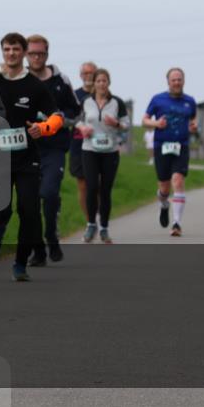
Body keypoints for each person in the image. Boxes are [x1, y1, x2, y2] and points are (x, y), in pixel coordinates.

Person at [0, 32, 62, 282]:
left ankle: (20, 264)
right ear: (2, 51)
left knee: (29, 211)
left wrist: (43, 128)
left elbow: (56, 115)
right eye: (7, 49)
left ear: (24, 52)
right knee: (1, 211)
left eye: (16, 49)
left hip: (28, 156)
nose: (11, 54)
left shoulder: (34, 85)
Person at [25, 34, 81, 265]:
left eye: (41, 53)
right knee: (29, 201)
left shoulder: (60, 80)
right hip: (26, 148)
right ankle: (38, 251)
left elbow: (75, 112)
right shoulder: (19, 79)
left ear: (47, 55)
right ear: (27, 55)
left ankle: (51, 235)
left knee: (48, 194)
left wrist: (57, 121)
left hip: (54, 148)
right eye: (32, 53)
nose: (37, 57)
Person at [73, 68, 130, 243]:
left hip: (110, 152)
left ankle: (104, 228)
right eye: (98, 81)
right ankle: (91, 225)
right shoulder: (86, 101)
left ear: (109, 83)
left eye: (104, 81)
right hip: (89, 149)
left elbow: (127, 124)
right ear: (94, 83)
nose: (101, 84)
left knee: (105, 190)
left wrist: (117, 123)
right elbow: (78, 120)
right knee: (91, 187)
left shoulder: (117, 103)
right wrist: (82, 128)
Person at [142, 67, 198, 238]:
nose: (176, 82)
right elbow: (144, 120)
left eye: (179, 79)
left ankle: (176, 223)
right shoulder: (158, 100)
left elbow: (194, 120)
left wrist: (194, 127)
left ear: (184, 81)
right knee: (164, 188)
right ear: (168, 82)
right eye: (173, 80)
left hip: (181, 146)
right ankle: (164, 204)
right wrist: (156, 124)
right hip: (162, 146)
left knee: (178, 180)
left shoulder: (190, 101)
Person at [70, 61, 97, 220]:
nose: (88, 76)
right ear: (80, 76)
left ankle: (100, 215)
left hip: (99, 145)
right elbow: (69, 116)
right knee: (83, 185)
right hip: (78, 144)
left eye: (91, 73)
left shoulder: (103, 94)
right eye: (85, 73)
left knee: (98, 185)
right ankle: (90, 221)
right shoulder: (74, 95)